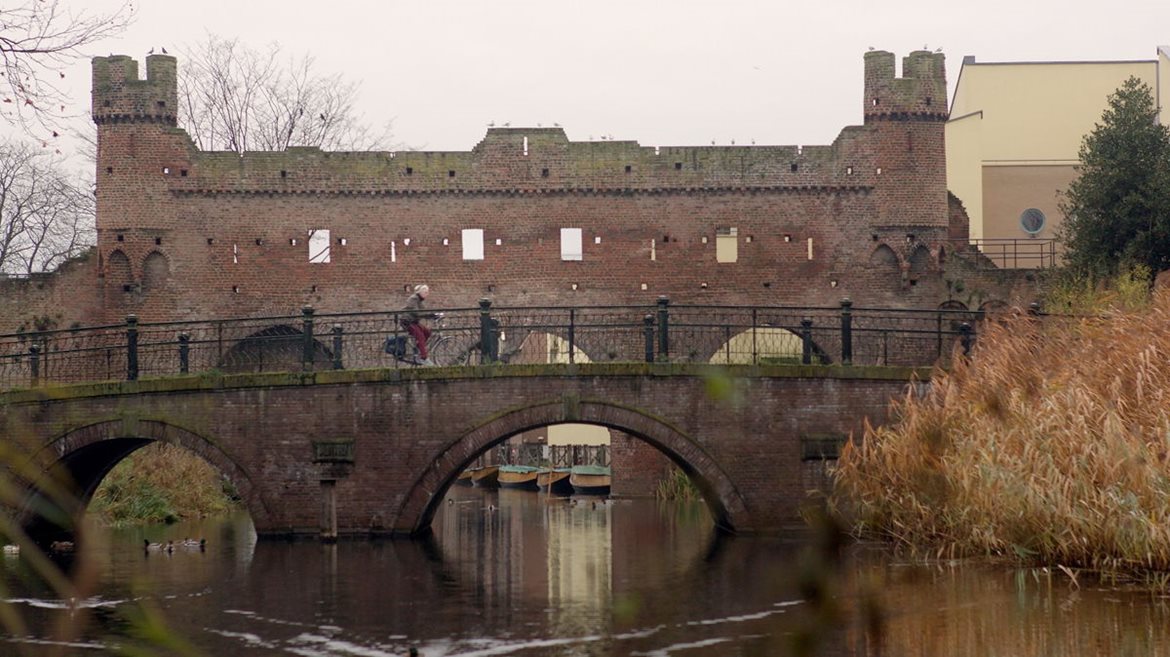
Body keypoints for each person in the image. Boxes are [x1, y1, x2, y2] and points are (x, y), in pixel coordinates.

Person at [400, 284, 441, 365]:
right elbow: (416, 312)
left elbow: (424, 311)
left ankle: (418, 350)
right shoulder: (413, 298)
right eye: (426, 292)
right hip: (407, 321)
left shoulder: (419, 300)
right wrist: (429, 315)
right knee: (420, 336)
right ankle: (423, 358)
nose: (427, 294)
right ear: (421, 292)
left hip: (414, 321)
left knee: (427, 332)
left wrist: (433, 315)